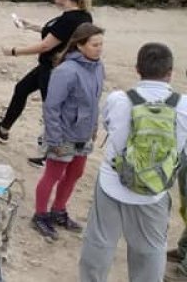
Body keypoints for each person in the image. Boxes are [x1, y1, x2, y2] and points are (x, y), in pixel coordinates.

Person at [79, 43, 187, 282]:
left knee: (100, 242)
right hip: (154, 191)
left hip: (113, 183)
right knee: (150, 250)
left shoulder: (119, 99)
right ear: (170, 72)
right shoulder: (183, 106)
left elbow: (108, 126)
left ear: (137, 68)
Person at [0, 0, 94, 161]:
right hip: (51, 67)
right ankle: (3, 129)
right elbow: (57, 33)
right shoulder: (82, 15)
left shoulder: (69, 19)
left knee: (52, 111)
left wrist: (14, 51)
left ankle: (51, 155)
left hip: (54, 70)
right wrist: (31, 26)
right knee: (22, 89)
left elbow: (45, 46)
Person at [30, 23, 106, 240]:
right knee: (53, 174)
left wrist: (93, 128)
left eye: (101, 44)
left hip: (83, 134)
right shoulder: (66, 71)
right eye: (94, 44)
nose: (99, 48)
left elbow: (94, 102)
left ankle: (59, 210)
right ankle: (40, 215)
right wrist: (55, 138)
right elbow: (51, 107)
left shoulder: (99, 67)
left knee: (75, 173)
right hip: (64, 134)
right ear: (79, 45)